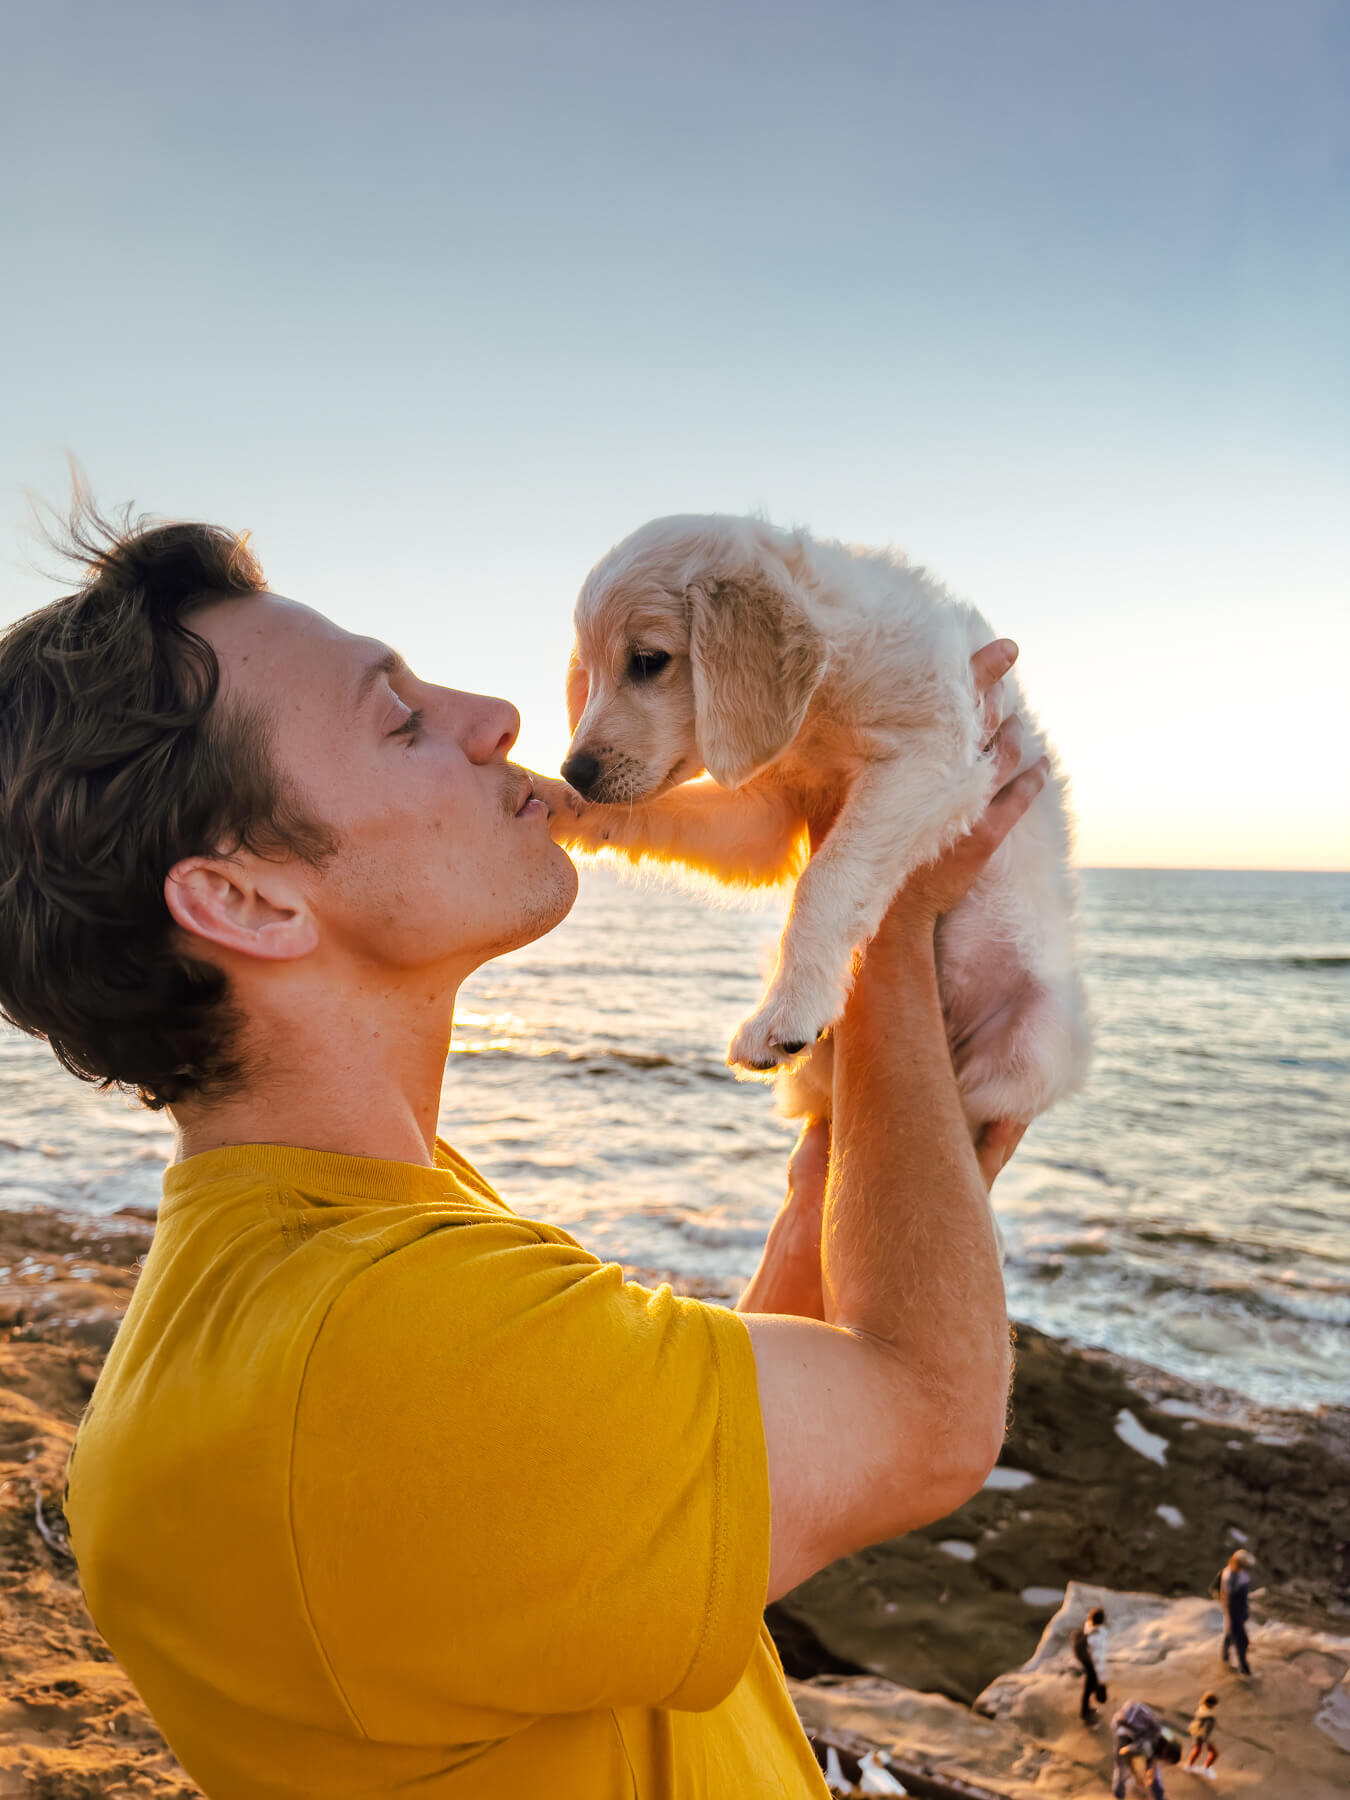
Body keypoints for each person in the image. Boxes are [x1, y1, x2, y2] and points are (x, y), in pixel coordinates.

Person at [0, 502, 1046, 1799]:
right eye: (397, 718)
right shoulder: (382, 1350)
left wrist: (870, 1141)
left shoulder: (348, 1251)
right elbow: (928, 1418)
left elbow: (728, 1472)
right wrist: (886, 906)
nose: (496, 715)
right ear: (243, 898)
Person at [1110, 1701, 1182, 1799]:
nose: (1166, 1764)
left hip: (1134, 1716)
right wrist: (1137, 1775)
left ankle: (1159, 1796)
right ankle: (1119, 1794)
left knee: (1153, 1769)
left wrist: (1149, 1771)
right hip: (1124, 1729)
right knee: (1121, 1767)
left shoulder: (1166, 1736)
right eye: (1168, 1762)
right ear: (1166, 1755)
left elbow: (1153, 1762)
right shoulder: (1147, 1747)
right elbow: (1124, 1751)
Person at [1213, 1548, 1256, 1675]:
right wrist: (1231, 1619)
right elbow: (1227, 1600)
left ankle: (1225, 1662)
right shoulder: (1230, 1577)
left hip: (1239, 1611)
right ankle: (1244, 1669)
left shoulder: (1237, 1574)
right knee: (1241, 1640)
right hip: (1233, 1613)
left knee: (1230, 1637)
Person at [1071, 1604, 1109, 1725]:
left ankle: (1087, 1710)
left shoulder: (1089, 1627)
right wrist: (1102, 1678)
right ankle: (1086, 1714)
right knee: (1089, 1687)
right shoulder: (1098, 1635)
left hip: (1087, 1662)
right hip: (1092, 1664)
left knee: (1089, 1687)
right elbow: (1098, 1657)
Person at [1185, 1691, 1220, 1779]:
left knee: (1198, 1749)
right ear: (1212, 1704)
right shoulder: (1209, 1716)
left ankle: (1189, 1766)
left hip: (1197, 1732)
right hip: (1203, 1736)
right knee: (1214, 1753)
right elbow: (1207, 1729)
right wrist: (1208, 1741)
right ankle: (1206, 1769)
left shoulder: (1202, 1707)